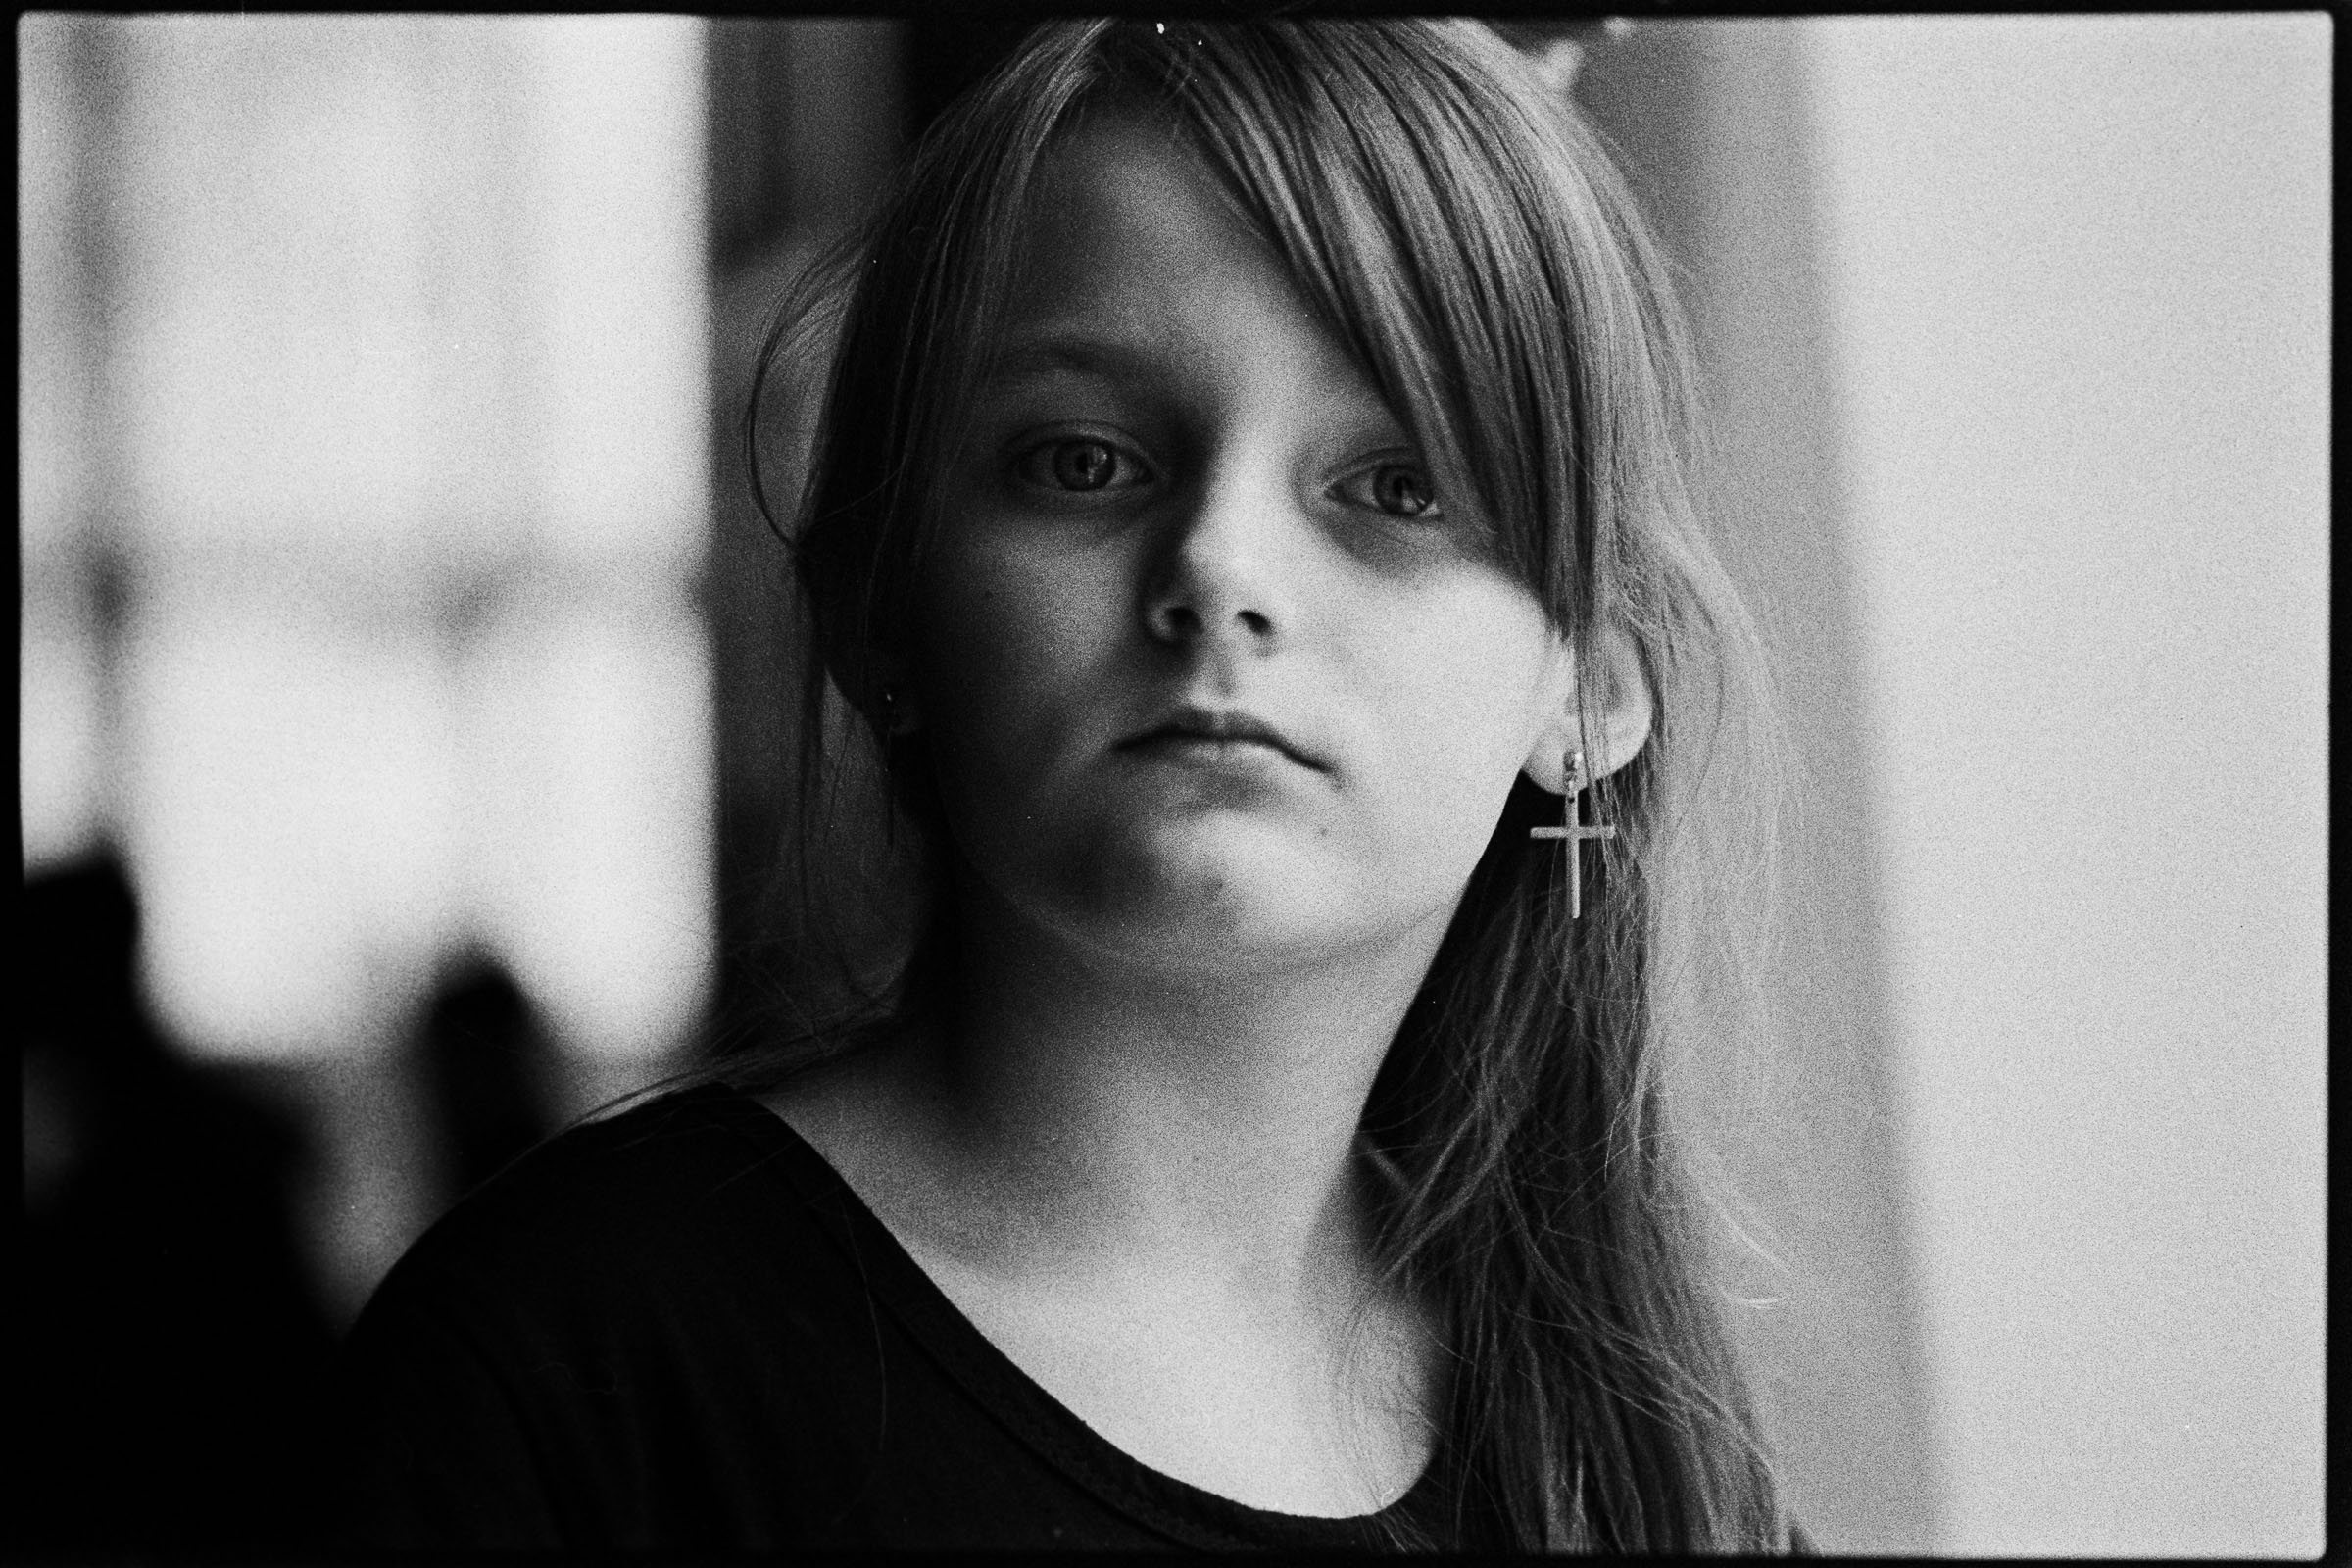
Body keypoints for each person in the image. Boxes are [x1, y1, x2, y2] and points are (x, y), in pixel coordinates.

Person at [326, 19, 1801, 1552]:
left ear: (1592, 689)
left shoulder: (1641, 1452)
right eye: (1083, 462)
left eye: (1398, 486)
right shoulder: (566, 1370)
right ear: (877, 607)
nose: (1220, 566)